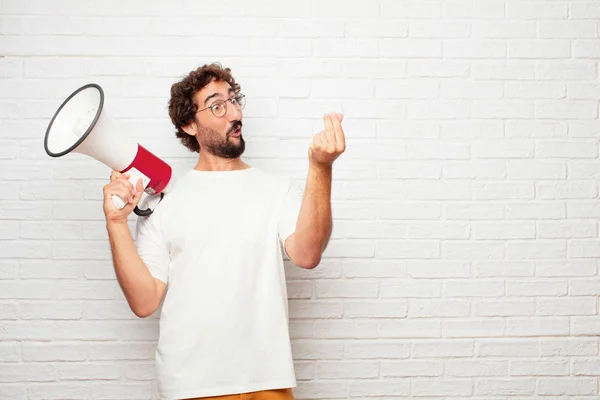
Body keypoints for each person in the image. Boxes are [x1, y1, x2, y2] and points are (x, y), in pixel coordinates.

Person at [102, 63, 346, 400]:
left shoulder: (276, 190)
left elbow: (307, 254)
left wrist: (320, 168)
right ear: (189, 124)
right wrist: (116, 223)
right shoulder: (164, 201)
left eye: (234, 100)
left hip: (267, 382)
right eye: (218, 105)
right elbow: (144, 302)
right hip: (190, 385)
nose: (234, 113)